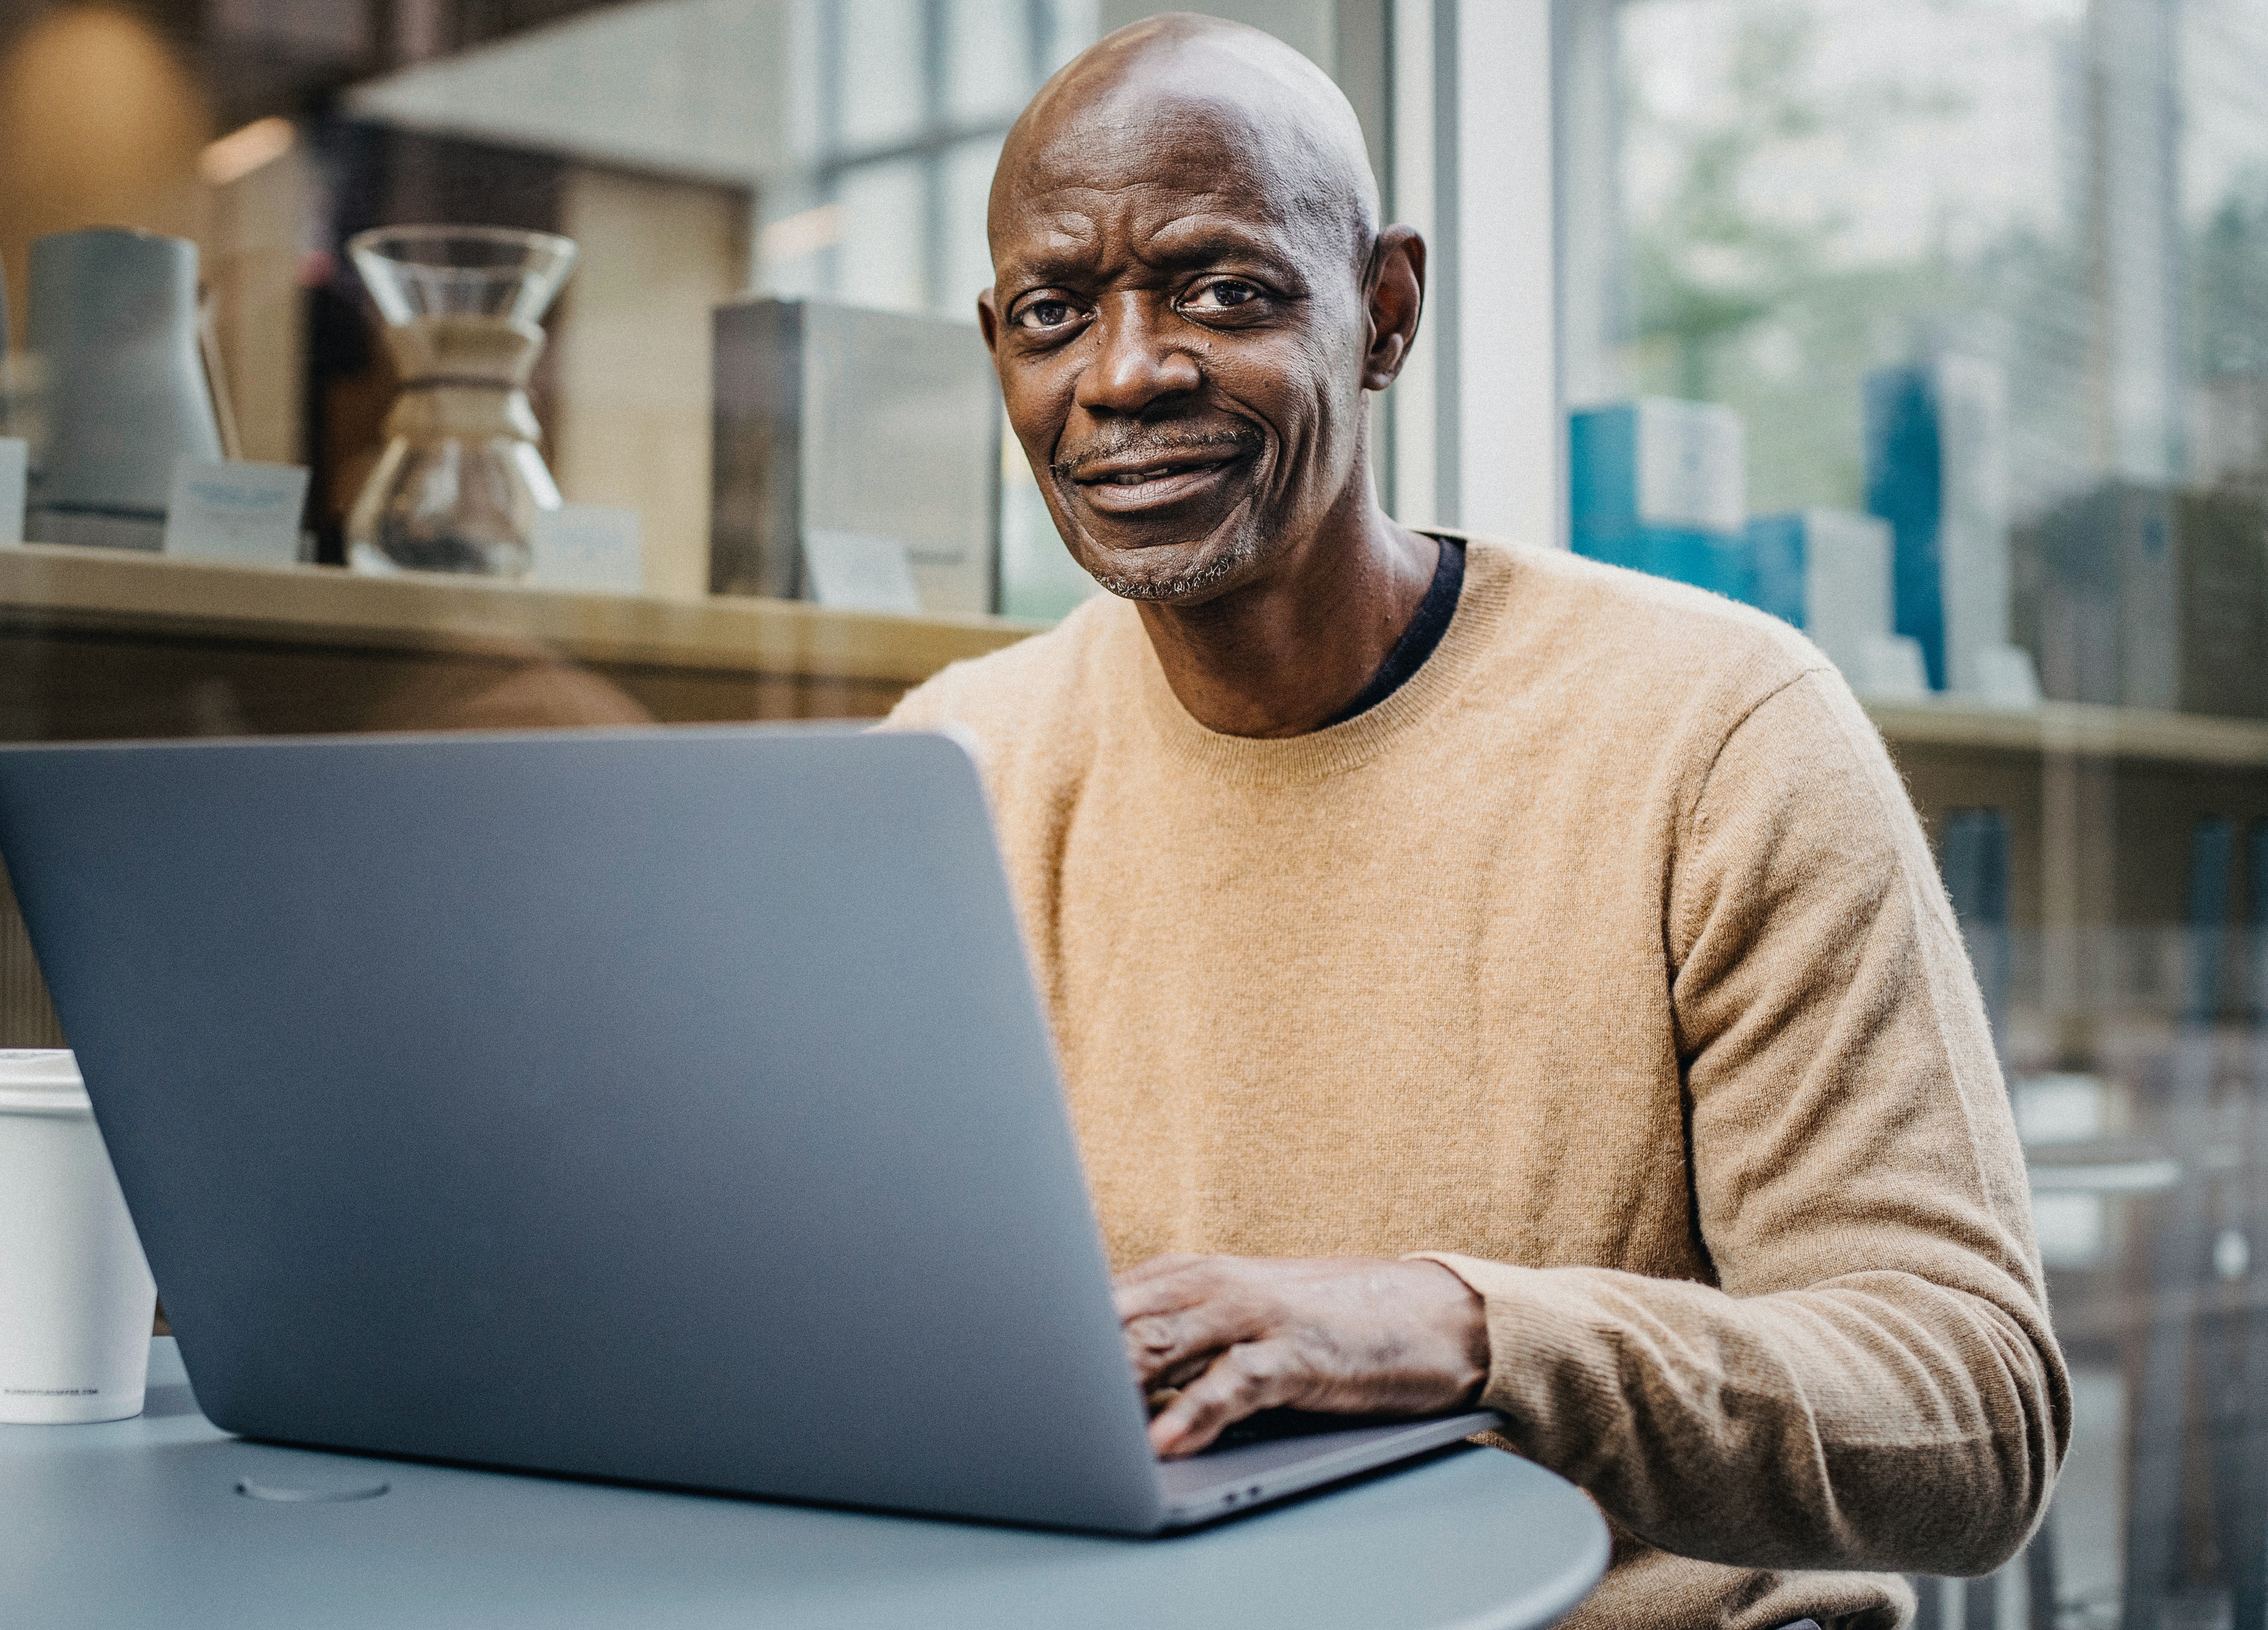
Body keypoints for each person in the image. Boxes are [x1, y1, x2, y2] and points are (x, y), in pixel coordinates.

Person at [883, 14, 2068, 1629]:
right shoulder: (955, 761)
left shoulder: (1716, 730)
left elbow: (1975, 1414)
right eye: (1052, 312)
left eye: (1225, 289)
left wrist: (1467, 1330)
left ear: (1384, 312)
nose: (1126, 372)